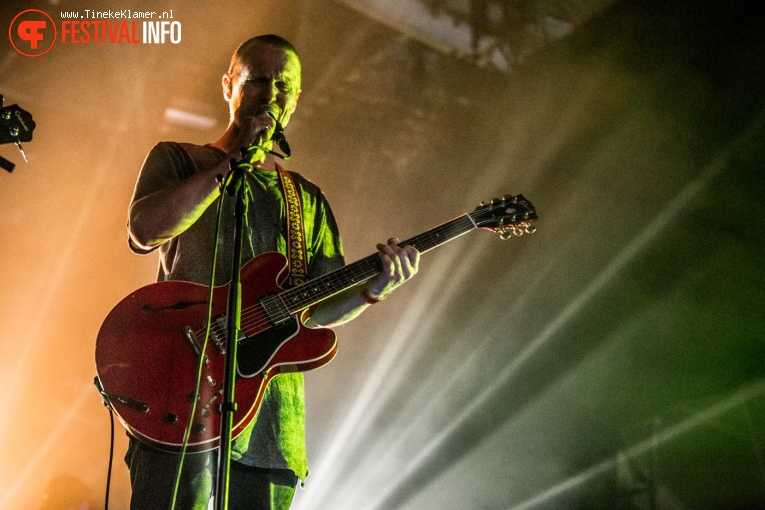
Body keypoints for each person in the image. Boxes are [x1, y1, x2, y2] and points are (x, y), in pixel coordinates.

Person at [125, 34, 420, 509]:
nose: (270, 93)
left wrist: (376, 288)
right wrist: (231, 162)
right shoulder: (179, 159)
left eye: (284, 85)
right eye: (257, 79)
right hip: (180, 404)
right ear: (229, 85)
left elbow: (317, 312)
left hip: (270, 430)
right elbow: (144, 231)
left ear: (297, 97)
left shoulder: (305, 199)